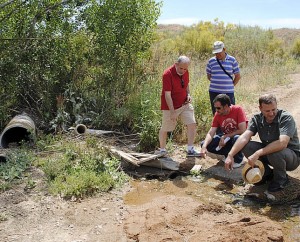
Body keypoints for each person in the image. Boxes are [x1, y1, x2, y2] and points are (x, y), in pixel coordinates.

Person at [225, 94, 300, 192]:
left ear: (277, 105)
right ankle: (266, 174)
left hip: (291, 157)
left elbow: (282, 143)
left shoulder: (286, 117)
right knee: (247, 146)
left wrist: (257, 153)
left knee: (275, 151)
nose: (271, 113)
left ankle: (281, 179)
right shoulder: (257, 118)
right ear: (260, 108)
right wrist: (230, 155)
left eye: (274, 109)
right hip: (270, 153)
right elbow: (244, 137)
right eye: (267, 111)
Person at [156, 55, 200, 157]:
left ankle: (190, 149)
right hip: (170, 106)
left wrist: (188, 95)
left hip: (184, 104)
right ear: (176, 64)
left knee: (192, 123)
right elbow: (167, 95)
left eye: (185, 69)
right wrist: (172, 112)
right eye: (181, 68)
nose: (183, 71)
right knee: (166, 128)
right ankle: (162, 150)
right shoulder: (167, 74)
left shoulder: (185, 71)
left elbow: (187, 84)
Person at [200, 94, 247, 168]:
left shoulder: (238, 109)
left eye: (218, 108)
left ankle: (239, 159)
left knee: (237, 138)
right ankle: (227, 155)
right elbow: (211, 132)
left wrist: (226, 136)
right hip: (226, 139)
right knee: (204, 143)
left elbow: (243, 130)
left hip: (239, 139)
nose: (216, 110)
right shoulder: (218, 114)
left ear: (226, 106)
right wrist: (204, 146)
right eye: (215, 108)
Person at [206, 41, 241, 115]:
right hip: (214, 92)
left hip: (228, 92)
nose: (217, 55)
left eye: (219, 52)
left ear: (224, 49)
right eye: (216, 53)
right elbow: (209, 76)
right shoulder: (211, 61)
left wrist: (230, 86)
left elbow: (238, 76)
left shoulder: (232, 60)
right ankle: (218, 126)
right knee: (216, 112)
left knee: (230, 111)